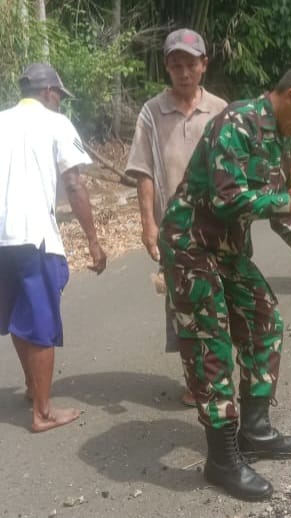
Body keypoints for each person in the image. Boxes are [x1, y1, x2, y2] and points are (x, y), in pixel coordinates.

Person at [159, 59, 291, 501]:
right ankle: (221, 458)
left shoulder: (283, 141)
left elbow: (279, 201)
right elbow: (228, 200)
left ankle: (255, 430)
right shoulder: (236, 123)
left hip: (227, 248)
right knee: (211, 342)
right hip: (190, 243)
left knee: (264, 319)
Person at [0, 63, 107, 432]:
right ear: (48, 93)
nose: (61, 103)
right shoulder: (55, 123)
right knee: (42, 323)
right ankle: (43, 412)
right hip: (34, 236)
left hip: (2, 238)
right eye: (60, 96)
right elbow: (75, 184)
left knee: (17, 314)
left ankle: (33, 387)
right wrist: (93, 241)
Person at [125, 28, 227, 407]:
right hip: (174, 228)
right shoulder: (152, 112)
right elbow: (144, 170)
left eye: (191, 64)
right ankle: (195, 379)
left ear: (204, 65)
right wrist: (148, 224)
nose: (184, 72)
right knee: (182, 307)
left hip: (218, 226)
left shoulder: (220, 109)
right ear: (167, 67)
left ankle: (218, 374)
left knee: (220, 300)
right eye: (176, 65)